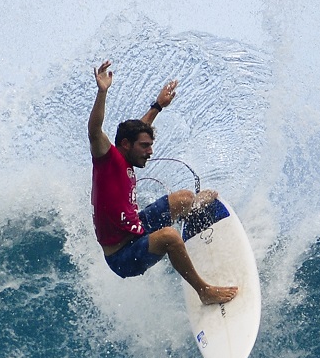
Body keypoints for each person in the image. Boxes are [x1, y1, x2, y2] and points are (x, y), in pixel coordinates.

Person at [88, 60, 238, 305]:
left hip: (137, 228)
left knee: (185, 198)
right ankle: (205, 292)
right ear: (125, 145)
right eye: (145, 147)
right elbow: (94, 131)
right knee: (169, 236)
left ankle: (194, 214)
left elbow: (141, 128)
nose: (150, 152)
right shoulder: (107, 160)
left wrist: (158, 105)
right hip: (122, 256)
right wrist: (102, 92)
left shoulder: (127, 153)